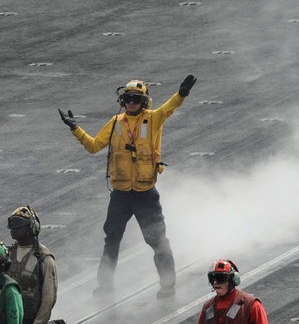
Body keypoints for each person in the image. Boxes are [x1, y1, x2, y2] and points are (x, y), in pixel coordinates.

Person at [59, 74, 197, 300]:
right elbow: (94, 146)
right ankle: (105, 286)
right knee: (111, 241)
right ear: (122, 101)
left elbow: (169, 108)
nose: (132, 102)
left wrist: (182, 94)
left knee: (157, 240)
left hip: (145, 195)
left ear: (144, 102)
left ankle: (168, 285)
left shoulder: (153, 119)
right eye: (128, 98)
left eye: (136, 98)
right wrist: (76, 129)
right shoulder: (115, 123)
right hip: (121, 195)